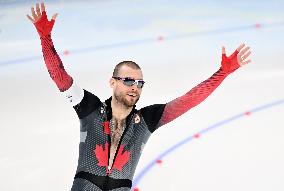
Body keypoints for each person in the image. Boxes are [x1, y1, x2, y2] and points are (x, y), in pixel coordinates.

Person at [27, 2, 251, 191]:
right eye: (128, 81)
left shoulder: (147, 120)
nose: (135, 87)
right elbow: (60, 76)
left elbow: (189, 99)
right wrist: (45, 38)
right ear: (112, 82)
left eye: (140, 83)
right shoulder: (90, 108)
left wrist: (222, 73)